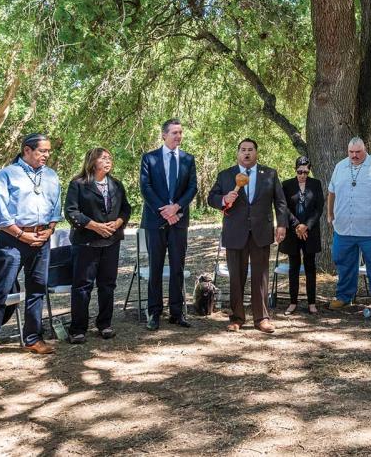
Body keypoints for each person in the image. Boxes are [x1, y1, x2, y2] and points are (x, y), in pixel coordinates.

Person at [0, 133, 61, 371]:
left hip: (41, 239)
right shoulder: (6, 175)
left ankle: (32, 338)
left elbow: (56, 208)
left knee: (37, 290)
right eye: (42, 151)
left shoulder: (51, 176)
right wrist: (22, 235)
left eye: (48, 151)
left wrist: (49, 230)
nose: (46, 155)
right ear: (26, 150)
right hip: (12, 241)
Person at [208, 138, 287, 333]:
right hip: (235, 232)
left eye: (250, 150)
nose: (246, 153)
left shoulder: (269, 174)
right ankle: (237, 317)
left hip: (261, 232)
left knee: (260, 277)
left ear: (256, 153)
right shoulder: (226, 175)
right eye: (243, 150)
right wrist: (224, 199)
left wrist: (282, 225)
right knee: (236, 276)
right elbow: (211, 198)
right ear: (238, 153)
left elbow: (280, 202)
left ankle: (262, 318)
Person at [64, 148, 131, 343]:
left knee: (107, 285)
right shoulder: (78, 184)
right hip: (86, 242)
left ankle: (105, 324)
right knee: (82, 286)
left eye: (110, 158)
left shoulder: (116, 184)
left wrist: (118, 223)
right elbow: (71, 212)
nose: (108, 161)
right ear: (92, 161)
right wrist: (94, 226)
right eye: (103, 158)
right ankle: (77, 329)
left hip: (111, 241)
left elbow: (126, 209)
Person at [139, 118, 198, 331]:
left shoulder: (188, 159)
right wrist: (164, 210)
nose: (178, 136)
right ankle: (154, 313)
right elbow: (145, 188)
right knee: (155, 268)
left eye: (180, 132)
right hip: (156, 221)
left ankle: (177, 312)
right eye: (174, 132)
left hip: (179, 221)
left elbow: (192, 188)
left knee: (177, 268)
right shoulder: (150, 158)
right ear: (164, 135)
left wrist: (177, 208)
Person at [327, 137, 371, 315]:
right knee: (344, 264)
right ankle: (343, 297)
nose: (354, 156)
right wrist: (330, 213)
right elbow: (331, 191)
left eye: (358, 152)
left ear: (365, 150)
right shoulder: (340, 166)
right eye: (351, 152)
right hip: (343, 227)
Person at [280, 156, 324, 315]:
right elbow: (283, 207)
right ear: (295, 169)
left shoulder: (316, 184)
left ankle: (312, 303)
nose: (303, 175)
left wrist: (307, 226)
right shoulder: (287, 185)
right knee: (294, 267)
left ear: (309, 170)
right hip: (293, 232)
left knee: (310, 267)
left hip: (310, 232)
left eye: (305, 172)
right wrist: (297, 225)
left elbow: (319, 208)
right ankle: (292, 302)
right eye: (300, 171)